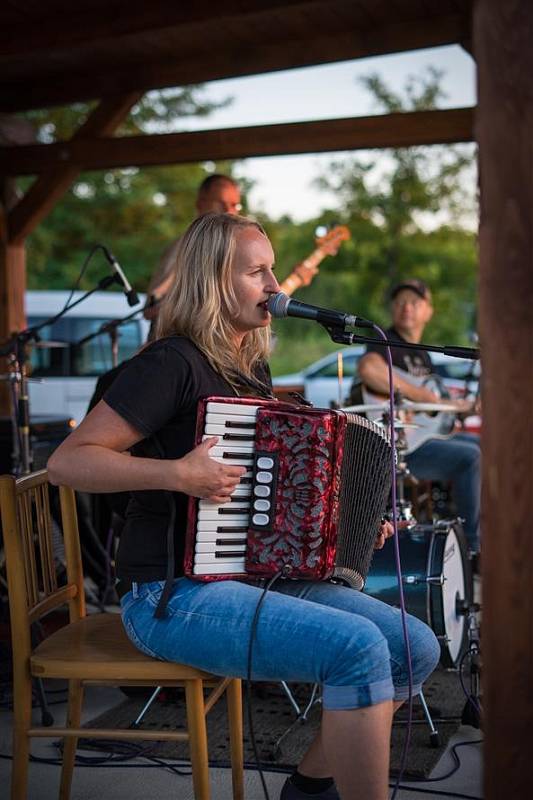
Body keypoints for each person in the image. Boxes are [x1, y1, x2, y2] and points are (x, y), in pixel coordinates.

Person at [48, 215, 440, 800]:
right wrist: (177, 474)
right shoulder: (169, 363)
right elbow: (67, 462)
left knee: (415, 647)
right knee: (357, 650)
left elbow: (270, 490)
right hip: (168, 595)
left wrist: (341, 522)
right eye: (258, 271)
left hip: (248, 575)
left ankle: (309, 788)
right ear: (212, 280)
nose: (276, 284)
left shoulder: (247, 368)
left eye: (273, 268)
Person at [356, 279, 481, 556]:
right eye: (400, 302)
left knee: (479, 445)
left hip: (423, 436)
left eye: (414, 302)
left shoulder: (423, 355)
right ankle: (473, 547)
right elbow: (368, 369)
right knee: (470, 457)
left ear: (428, 311)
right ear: (392, 308)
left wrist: (462, 407)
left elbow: (435, 409)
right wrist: (423, 397)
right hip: (399, 447)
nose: (407, 308)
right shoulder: (385, 342)